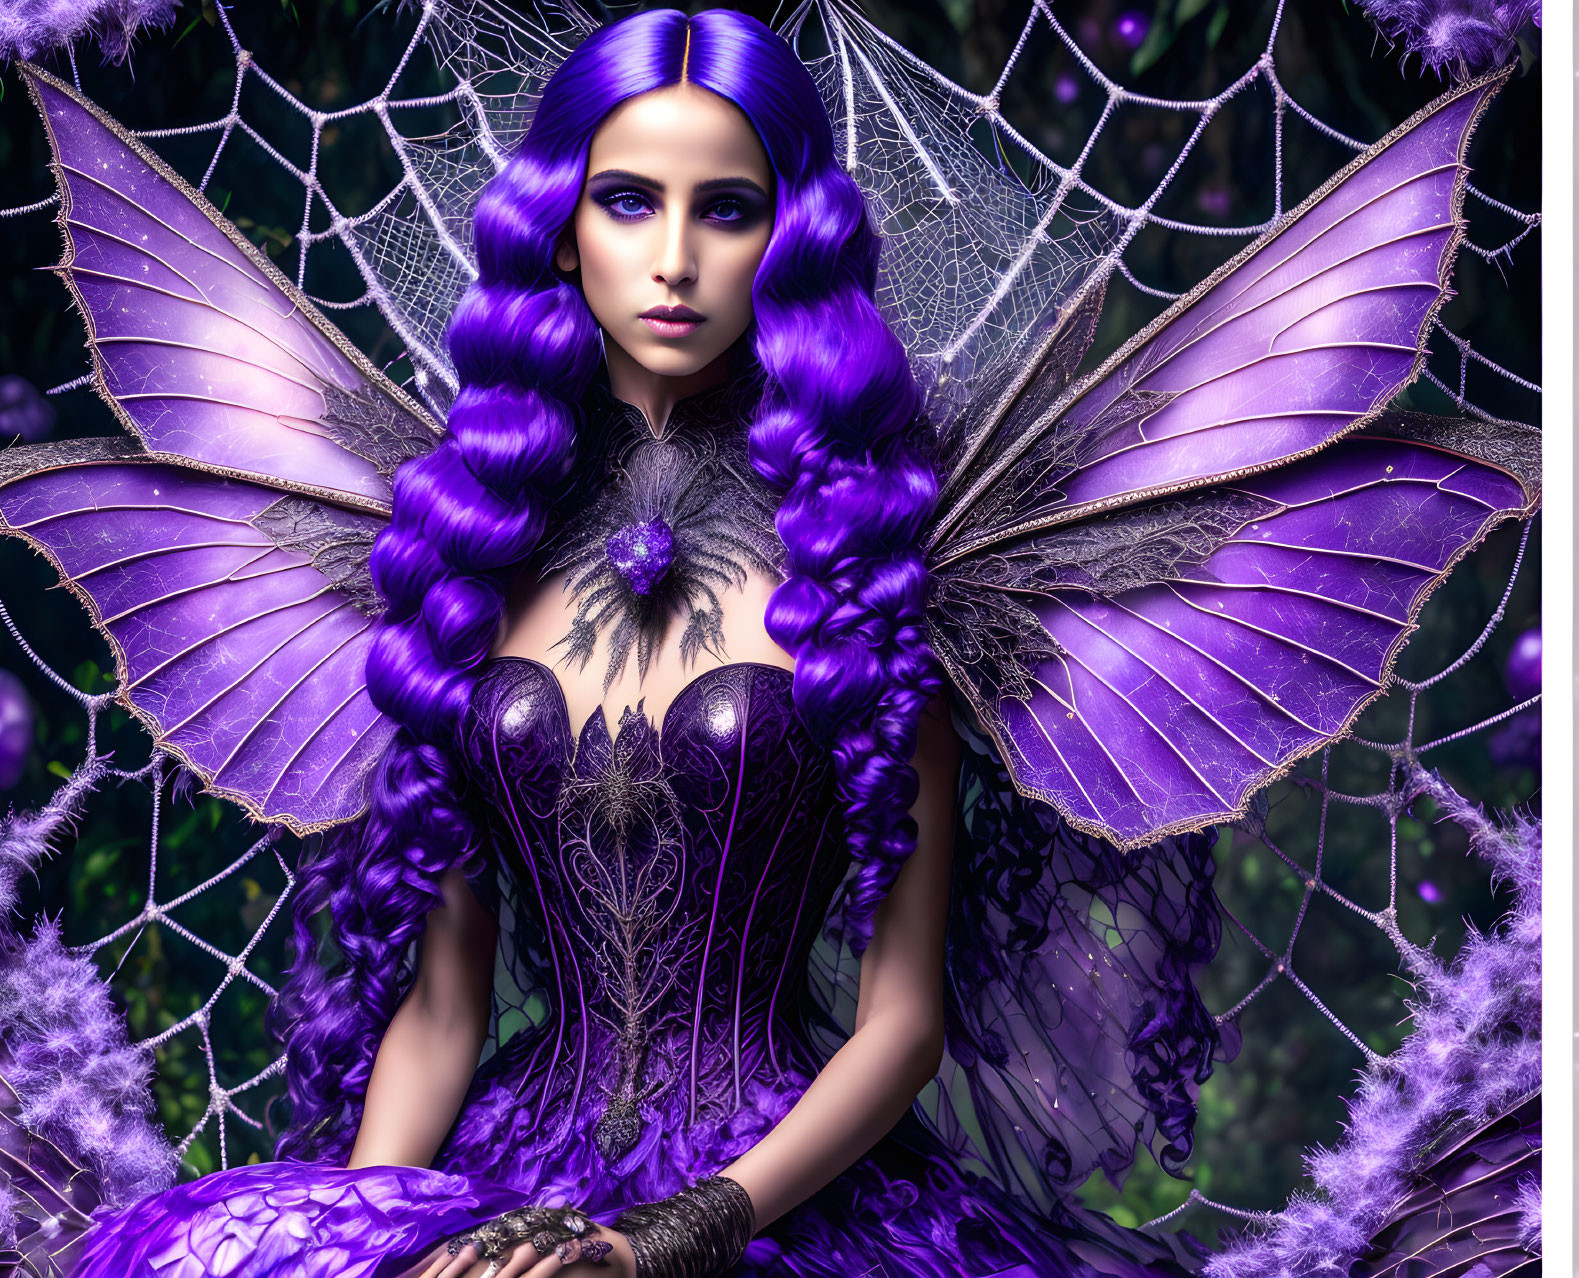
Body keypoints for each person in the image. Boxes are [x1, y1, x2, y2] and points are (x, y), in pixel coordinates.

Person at [64, 10, 1179, 1278]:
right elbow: (440, 1013)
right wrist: (363, 1238)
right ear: (560, 223)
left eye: (725, 210)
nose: (672, 263)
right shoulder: (470, 546)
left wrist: (671, 1237)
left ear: (787, 238)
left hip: (776, 1206)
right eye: (628, 201)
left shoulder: (869, 553)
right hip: (505, 1186)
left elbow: (901, 1022)